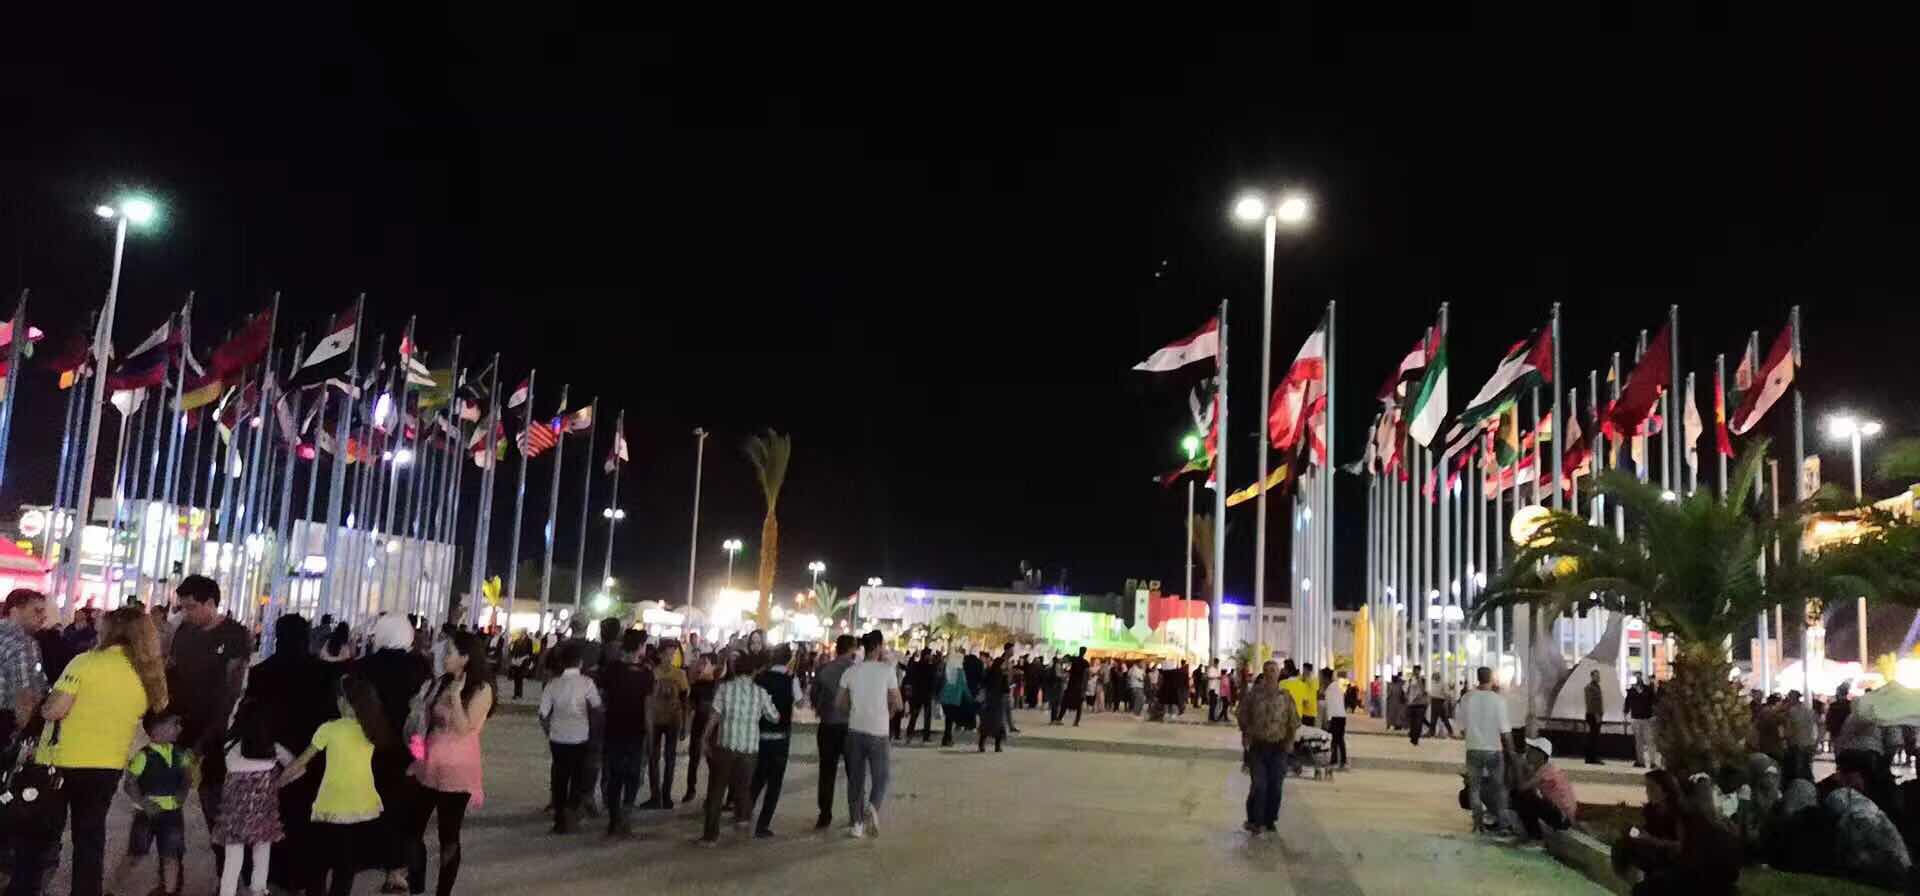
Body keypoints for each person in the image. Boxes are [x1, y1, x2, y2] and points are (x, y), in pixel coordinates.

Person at [12, 607, 169, 896]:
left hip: (60, 763)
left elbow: (55, 710)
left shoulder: (85, 662)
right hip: (107, 766)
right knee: (90, 839)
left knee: (39, 837)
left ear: (112, 631)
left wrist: (43, 705)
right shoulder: (148, 676)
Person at [244, 613, 339, 896]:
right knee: (309, 818)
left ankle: (278, 876)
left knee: (276, 815)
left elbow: (253, 716)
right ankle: (309, 878)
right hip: (314, 755)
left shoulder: (261, 672)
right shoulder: (323, 672)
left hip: (273, 755)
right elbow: (331, 715)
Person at [167, 575, 252, 888]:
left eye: (191, 607)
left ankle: (227, 874)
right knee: (167, 801)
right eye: (182, 607)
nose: (185, 613)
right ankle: (171, 876)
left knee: (215, 806)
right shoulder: (184, 632)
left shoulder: (235, 635)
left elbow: (231, 691)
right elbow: (172, 673)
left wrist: (208, 740)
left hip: (216, 735)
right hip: (181, 728)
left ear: (210, 603)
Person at [279, 677, 395, 896]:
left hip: (331, 805)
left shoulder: (330, 729)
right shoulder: (372, 728)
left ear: (343, 701)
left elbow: (301, 762)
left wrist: (277, 782)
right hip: (362, 804)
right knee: (346, 867)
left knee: (318, 864)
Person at [408, 630, 494, 895]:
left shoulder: (481, 689)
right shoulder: (439, 682)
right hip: (428, 766)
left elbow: (464, 728)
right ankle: (416, 886)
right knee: (411, 830)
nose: (443, 657)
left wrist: (456, 697)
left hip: (457, 771)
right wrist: (416, 758)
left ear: (466, 658)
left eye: (450, 653)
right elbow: (423, 725)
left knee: (448, 835)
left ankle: (442, 892)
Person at [354, 614, 434, 893]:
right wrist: (420, 754)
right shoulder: (419, 666)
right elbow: (423, 713)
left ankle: (364, 857)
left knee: (370, 803)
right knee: (403, 810)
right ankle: (397, 870)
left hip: (368, 746)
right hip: (407, 748)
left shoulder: (364, 665)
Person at [212, 699, 292, 896]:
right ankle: (259, 890)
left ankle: (227, 892)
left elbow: (232, 719)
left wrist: (239, 701)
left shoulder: (230, 746)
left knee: (233, 859)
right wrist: (276, 782)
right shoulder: (273, 748)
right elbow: (295, 766)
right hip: (263, 810)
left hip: (235, 812)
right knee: (262, 852)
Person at [107, 711, 191, 896]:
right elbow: (130, 783)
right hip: (147, 814)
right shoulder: (143, 756)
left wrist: (182, 794)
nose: (179, 728)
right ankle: (112, 890)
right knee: (135, 854)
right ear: (157, 730)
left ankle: (169, 892)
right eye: (174, 724)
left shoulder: (180, 753)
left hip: (172, 812)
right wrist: (143, 802)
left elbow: (187, 777)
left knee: (171, 856)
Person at [696, 651, 775, 845]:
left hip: (726, 746)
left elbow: (714, 716)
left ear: (735, 669)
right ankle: (743, 821)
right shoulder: (760, 692)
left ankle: (710, 837)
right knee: (744, 788)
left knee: (716, 791)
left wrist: (704, 738)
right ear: (753, 671)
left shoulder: (725, 689)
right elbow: (774, 716)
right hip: (749, 748)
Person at [838, 631, 902, 838]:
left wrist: (854, 710)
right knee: (881, 776)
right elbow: (898, 702)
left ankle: (856, 825)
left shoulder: (851, 671)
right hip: (879, 731)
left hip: (855, 730)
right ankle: (873, 807)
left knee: (855, 779)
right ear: (878, 646)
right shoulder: (887, 671)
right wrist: (889, 712)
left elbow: (839, 702)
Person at [537, 640, 600, 833]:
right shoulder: (587, 683)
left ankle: (559, 818)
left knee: (559, 777)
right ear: (580, 662)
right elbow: (597, 707)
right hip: (580, 737)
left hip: (558, 738)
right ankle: (571, 814)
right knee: (577, 777)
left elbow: (543, 714)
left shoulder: (553, 684)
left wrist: (549, 731)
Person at [1237, 660, 1300, 836]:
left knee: (1275, 786)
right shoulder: (1253, 695)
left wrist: (1290, 742)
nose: (1271, 673)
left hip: (1279, 748)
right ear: (1264, 673)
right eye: (1268, 670)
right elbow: (1242, 715)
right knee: (1259, 785)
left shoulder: (1285, 697)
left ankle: (1270, 819)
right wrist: (1246, 734)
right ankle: (1254, 820)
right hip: (1258, 746)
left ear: (1279, 674)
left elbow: (1293, 722)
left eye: (1274, 670)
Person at [597, 629, 650, 836]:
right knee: (633, 775)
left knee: (615, 775)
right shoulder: (646, 673)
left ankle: (614, 820)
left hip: (614, 728)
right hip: (636, 730)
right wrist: (650, 732)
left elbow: (602, 696)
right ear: (640, 647)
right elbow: (648, 706)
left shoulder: (612, 669)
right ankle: (625, 817)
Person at [749, 644, 801, 838]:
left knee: (757, 778)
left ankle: (744, 814)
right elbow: (800, 701)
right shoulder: (791, 679)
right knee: (774, 783)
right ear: (788, 659)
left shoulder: (760, 678)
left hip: (759, 734)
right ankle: (762, 825)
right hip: (781, 736)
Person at [1459, 666, 1512, 835]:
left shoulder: (1467, 698)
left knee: (1475, 788)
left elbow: (1462, 728)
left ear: (1478, 678)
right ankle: (1504, 825)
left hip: (1473, 748)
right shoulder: (1498, 700)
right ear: (1491, 678)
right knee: (1499, 788)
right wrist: (1511, 751)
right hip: (1494, 750)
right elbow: (1505, 731)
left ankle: (1478, 824)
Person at [643, 640, 689, 810]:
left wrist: (684, 724)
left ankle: (666, 795)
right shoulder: (653, 673)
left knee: (670, 758)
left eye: (672, 654)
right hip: (655, 720)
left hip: (672, 720)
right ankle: (656, 796)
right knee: (654, 758)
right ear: (660, 654)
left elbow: (685, 701)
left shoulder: (680, 674)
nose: (669, 657)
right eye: (667, 654)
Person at [0, 589, 48, 747]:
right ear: (15, 611)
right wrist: (25, 733)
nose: (43, 617)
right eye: (37, 611)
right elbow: (25, 694)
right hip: (5, 723)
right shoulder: (23, 643)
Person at [1510, 736, 1576, 839]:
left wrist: (1518, 765)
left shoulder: (1546, 769)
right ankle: (1530, 832)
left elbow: (1521, 788)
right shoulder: (1545, 767)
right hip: (1562, 816)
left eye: (1531, 751)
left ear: (1540, 755)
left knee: (1521, 796)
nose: (1527, 753)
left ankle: (1535, 837)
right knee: (1526, 797)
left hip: (1562, 818)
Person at [683, 653, 719, 805]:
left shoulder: (718, 686)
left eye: (705, 663)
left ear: (714, 666)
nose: (701, 666)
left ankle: (711, 795)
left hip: (713, 730)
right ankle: (690, 790)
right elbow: (690, 706)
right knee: (694, 760)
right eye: (700, 663)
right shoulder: (697, 684)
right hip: (698, 726)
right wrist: (685, 727)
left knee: (712, 763)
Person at [938, 646, 974, 746]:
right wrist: (970, 697)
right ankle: (947, 739)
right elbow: (964, 686)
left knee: (948, 719)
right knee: (951, 719)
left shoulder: (947, 669)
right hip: (954, 698)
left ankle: (947, 738)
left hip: (944, 697)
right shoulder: (960, 671)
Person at [978, 647, 1010, 753]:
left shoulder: (989, 672)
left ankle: (981, 744)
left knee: (986, 724)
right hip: (998, 702)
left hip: (989, 701)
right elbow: (1006, 689)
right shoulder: (1002, 675)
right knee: (998, 724)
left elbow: (983, 683)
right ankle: (997, 746)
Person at [1782, 690, 1817, 781]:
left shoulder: (1791, 712)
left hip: (1797, 743)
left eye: (1789, 698)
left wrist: (1785, 738)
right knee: (1807, 767)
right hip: (1809, 742)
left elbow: (1790, 730)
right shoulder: (1809, 710)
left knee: (1798, 770)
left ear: (1793, 698)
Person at [1319, 667, 1349, 770]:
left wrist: (1328, 719)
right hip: (1341, 716)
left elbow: (1330, 706)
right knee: (1340, 740)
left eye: (1321, 677)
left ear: (1325, 678)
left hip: (1335, 717)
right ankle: (1342, 761)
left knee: (1335, 740)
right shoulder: (1336, 686)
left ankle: (1335, 761)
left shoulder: (1330, 689)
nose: (1320, 679)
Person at [1625, 674, 1656, 768]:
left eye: (1639, 677)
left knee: (1649, 740)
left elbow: (1653, 702)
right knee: (1639, 742)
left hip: (1647, 719)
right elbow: (1627, 703)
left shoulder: (1648, 689)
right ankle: (1640, 761)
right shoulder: (1631, 691)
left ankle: (1652, 762)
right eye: (1636, 677)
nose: (1638, 679)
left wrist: (1654, 715)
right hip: (1636, 718)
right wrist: (1625, 713)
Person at [1054, 647, 1089, 727]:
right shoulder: (1085, 662)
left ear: (1079, 651)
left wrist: (1065, 670)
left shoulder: (1074, 659)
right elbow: (1086, 676)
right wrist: (1084, 687)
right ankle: (1076, 722)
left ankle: (1059, 719)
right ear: (1085, 652)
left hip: (1071, 684)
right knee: (1079, 705)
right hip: (1079, 686)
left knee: (1065, 702)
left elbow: (1065, 659)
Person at [1584, 669, 1605, 765]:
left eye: (1598, 675)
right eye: (1596, 676)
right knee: (1593, 737)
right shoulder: (1589, 687)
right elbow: (1590, 703)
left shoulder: (1597, 686)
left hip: (1596, 714)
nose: (1598, 677)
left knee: (1595, 737)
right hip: (1593, 715)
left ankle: (1592, 757)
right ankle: (1592, 758)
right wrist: (1596, 715)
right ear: (1592, 676)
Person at [508, 631, 535, 700]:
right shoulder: (517, 640)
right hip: (516, 661)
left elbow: (530, 652)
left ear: (525, 634)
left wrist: (527, 660)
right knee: (516, 678)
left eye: (523, 634)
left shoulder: (529, 641)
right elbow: (513, 651)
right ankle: (516, 694)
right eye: (521, 634)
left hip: (524, 662)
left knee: (520, 678)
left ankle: (519, 694)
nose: (522, 635)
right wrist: (513, 658)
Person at [1405, 668, 1428, 744]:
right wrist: (1407, 699)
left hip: (1420, 704)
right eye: (1415, 672)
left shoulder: (1423, 680)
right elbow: (1405, 690)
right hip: (1412, 704)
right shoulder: (1410, 680)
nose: (1416, 673)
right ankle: (1413, 737)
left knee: (1418, 722)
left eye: (1417, 671)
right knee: (1413, 722)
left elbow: (1425, 691)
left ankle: (1415, 738)